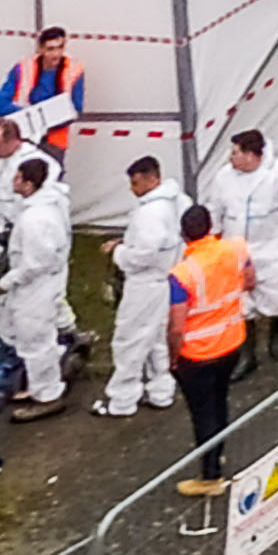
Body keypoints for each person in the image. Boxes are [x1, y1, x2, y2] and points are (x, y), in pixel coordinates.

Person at [202, 129, 278, 376]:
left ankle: (276, 328)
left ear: (252, 155)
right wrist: (211, 243)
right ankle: (247, 353)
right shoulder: (223, 178)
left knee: (275, 295)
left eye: (236, 153)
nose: (231, 158)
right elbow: (215, 211)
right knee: (240, 303)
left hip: (269, 248)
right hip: (235, 250)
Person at [166, 204, 255, 498]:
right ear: (211, 226)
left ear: (183, 234)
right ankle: (218, 454)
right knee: (220, 401)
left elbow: (177, 327)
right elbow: (250, 281)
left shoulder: (181, 275)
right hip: (231, 343)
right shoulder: (236, 248)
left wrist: (173, 356)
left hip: (198, 355)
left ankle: (211, 477)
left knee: (202, 413)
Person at [96, 155, 189, 416]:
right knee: (157, 339)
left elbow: (143, 254)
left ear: (152, 179)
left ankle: (122, 400)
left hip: (144, 284)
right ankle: (161, 391)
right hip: (164, 280)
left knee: (129, 340)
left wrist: (119, 254)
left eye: (136, 183)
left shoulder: (150, 213)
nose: (132, 189)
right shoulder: (175, 201)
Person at [0, 157, 74, 418]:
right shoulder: (44, 208)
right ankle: (42, 386)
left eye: (17, 178)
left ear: (28, 184)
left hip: (36, 288)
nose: (13, 182)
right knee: (34, 339)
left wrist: (5, 282)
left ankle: (47, 396)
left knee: (36, 342)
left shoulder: (36, 219)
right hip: (39, 285)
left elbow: (34, 264)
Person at [0, 26, 86, 154]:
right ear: (40, 49)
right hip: (22, 138)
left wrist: (44, 120)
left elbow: (75, 109)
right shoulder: (23, 68)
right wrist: (33, 116)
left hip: (54, 141)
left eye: (60, 48)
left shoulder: (74, 70)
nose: (56, 54)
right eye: (50, 49)